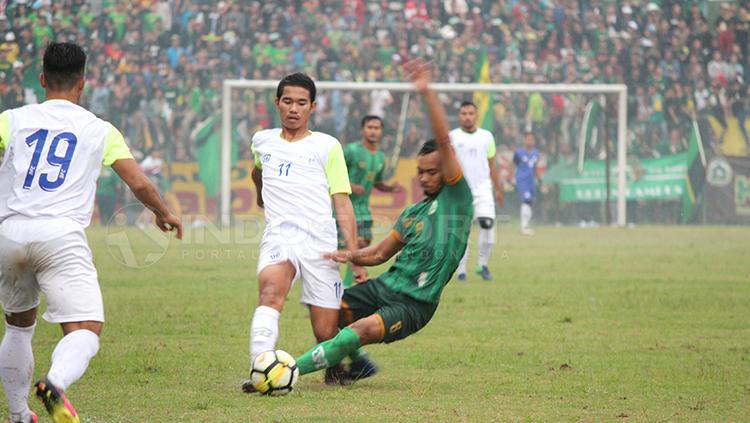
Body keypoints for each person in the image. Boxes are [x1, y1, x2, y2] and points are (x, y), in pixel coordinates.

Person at [0, 42, 182, 423]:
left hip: (10, 233)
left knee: (18, 326)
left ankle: (19, 415)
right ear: (83, 83)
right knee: (86, 328)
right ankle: (54, 382)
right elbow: (140, 184)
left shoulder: (11, 119)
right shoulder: (99, 129)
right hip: (60, 236)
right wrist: (163, 213)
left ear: (42, 79)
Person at [287, 59, 473, 384]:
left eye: (432, 172)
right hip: (385, 287)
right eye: (421, 173)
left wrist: (426, 91)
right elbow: (379, 255)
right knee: (329, 306)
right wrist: (350, 256)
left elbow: (444, 139)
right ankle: (353, 366)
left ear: (446, 170)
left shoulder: (457, 200)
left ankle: (284, 374)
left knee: (353, 332)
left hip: (414, 304)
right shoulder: (413, 214)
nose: (425, 178)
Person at [244, 72, 364, 389]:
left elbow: (342, 201)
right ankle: (259, 369)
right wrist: (260, 196)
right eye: (287, 102)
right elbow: (257, 171)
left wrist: (354, 254)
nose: (293, 109)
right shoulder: (262, 140)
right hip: (280, 236)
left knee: (326, 333)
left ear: (312, 106)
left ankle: (338, 369)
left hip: (321, 245)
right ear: (277, 103)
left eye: (301, 103)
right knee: (270, 294)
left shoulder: (328, 146)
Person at [341, 115, 402, 287]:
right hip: (344, 207)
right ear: (362, 130)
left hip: (364, 210)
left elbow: (377, 182)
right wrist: (350, 185)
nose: (373, 131)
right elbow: (332, 174)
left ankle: (348, 281)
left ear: (381, 131)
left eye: (377, 128)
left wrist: (390, 189)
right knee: (354, 246)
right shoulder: (351, 151)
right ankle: (347, 282)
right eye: (370, 127)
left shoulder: (381, 157)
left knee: (362, 245)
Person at [449, 101, 502, 281]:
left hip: (483, 190)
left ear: (476, 115)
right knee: (462, 231)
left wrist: (498, 189)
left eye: (471, 113)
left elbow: (492, 164)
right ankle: (461, 271)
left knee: (488, 224)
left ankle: (483, 265)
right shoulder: (452, 137)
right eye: (464, 113)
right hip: (460, 192)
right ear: (459, 116)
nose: (468, 117)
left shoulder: (486, 136)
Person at [513, 130, 540, 235]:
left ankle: (526, 225)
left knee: (530, 202)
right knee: (526, 200)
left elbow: (535, 167)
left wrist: (539, 179)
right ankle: (524, 226)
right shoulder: (519, 153)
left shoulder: (536, 153)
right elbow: (513, 165)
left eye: (532, 139)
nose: (530, 141)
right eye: (528, 139)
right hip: (522, 179)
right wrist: (511, 177)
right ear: (524, 140)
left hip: (531, 181)